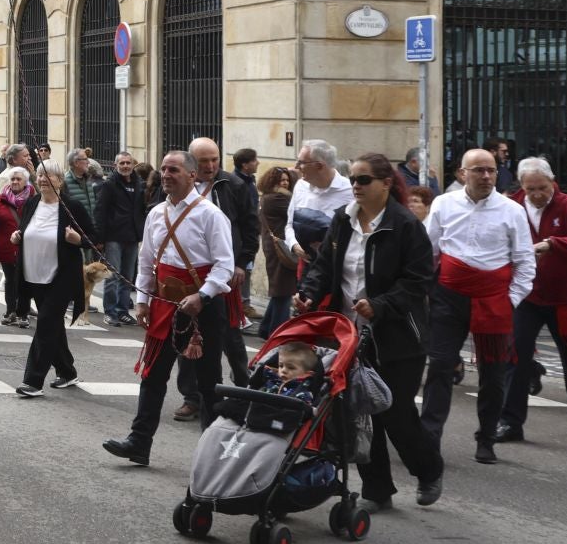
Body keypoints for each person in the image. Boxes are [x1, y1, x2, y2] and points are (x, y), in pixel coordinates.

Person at [295, 152, 444, 508]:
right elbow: (324, 267)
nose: (356, 187)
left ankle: (428, 469)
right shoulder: (342, 221)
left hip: (397, 338)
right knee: (358, 411)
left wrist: (381, 305)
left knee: (396, 414)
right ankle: (378, 489)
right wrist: (309, 294)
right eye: (353, 180)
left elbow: (418, 280)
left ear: (386, 183)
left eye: (364, 180)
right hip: (348, 334)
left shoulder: (405, 225)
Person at [102, 150, 234, 467]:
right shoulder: (156, 213)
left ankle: (212, 454)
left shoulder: (211, 215)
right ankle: (139, 442)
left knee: (208, 382)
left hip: (202, 307)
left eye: (173, 169)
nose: (166, 175)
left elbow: (224, 266)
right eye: (163, 169)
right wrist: (144, 301)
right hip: (164, 305)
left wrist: (202, 296)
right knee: (152, 375)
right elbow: (148, 263)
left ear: (192, 175)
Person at [421, 148, 536, 464]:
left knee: (494, 374)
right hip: (449, 298)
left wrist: (510, 300)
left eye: (491, 170)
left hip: (494, 301)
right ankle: (429, 439)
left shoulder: (512, 211)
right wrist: (427, 291)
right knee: (440, 367)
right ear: (462, 174)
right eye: (478, 170)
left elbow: (525, 261)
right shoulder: (444, 204)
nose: (486, 176)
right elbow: (427, 249)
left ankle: (486, 438)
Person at [497, 158, 567, 442]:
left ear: (552, 181)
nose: (536, 194)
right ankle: (510, 422)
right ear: (521, 185)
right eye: (530, 188)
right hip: (527, 295)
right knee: (515, 358)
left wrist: (554, 243)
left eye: (542, 188)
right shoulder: (511, 206)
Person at [174, 136, 259, 419]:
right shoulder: (179, 184)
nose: (210, 166)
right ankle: (192, 396)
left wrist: (242, 263)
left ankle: (242, 390)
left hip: (226, 272)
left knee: (230, 336)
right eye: (203, 161)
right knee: (186, 334)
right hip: (188, 275)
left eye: (215, 159)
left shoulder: (233, 185)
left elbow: (250, 225)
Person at [9, 159, 100, 397]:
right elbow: (26, 230)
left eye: (48, 176)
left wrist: (78, 240)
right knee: (53, 326)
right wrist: (18, 236)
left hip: (61, 277)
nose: (42, 180)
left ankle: (33, 381)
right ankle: (67, 372)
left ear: (60, 180)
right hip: (33, 275)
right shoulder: (32, 204)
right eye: (39, 175)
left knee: (46, 325)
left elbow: (93, 237)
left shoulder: (71, 207)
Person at [94, 151, 146, 328]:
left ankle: (123, 311)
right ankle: (110, 311)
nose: (125, 166)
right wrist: (100, 238)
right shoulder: (109, 185)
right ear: (116, 165)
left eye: (128, 163)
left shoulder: (139, 184)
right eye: (122, 163)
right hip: (113, 236)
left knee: (128, 277)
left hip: (132, 237)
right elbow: (100, 211)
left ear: (133, 165)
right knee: (112, 275)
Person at [256, 165, 299, 338]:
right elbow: (297, 214)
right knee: (284, 291)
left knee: (279, 290)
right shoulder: (278, 198)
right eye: (282, 180)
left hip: (274, 247)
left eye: (287, 180)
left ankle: (266, 329)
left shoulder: (267, 197)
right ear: (273, 181)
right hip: (281, 248)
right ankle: (278, 333)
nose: (286, 183)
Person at [0, 165, 29, 325]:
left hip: (27, 247)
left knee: (25, 280)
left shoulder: (33, 199)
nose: (15, 182)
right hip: (6, 246)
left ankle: (24, 314)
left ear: (25, 182)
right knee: (10, 279)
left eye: (18, 179)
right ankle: (10, 311)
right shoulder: (0, 200)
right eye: (12, 179)